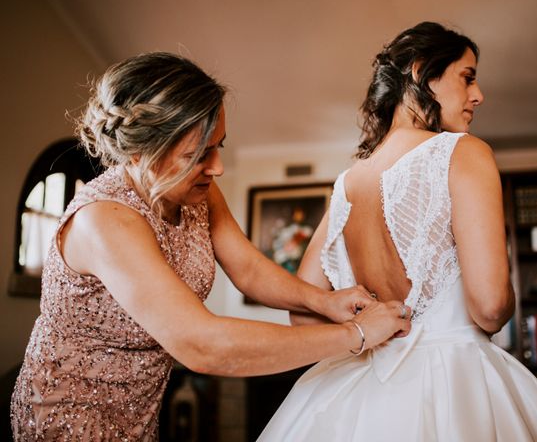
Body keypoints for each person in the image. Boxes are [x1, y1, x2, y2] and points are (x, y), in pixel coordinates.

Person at [9, 52, 412, 441]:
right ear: (139, 152)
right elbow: (203, 345)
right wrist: (355, 334)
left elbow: (249, 270)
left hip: (139, 414)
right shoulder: (105, 221)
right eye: (199, 154)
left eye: (219, 145)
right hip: (66, 418)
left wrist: (324, 302)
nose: (217, 166)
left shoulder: (195, 192)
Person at [258, 22, 537, 441]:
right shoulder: (464, 153)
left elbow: (302, 317)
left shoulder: (346, 185)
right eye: (468, 76)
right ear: (422, 70)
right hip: (453, 383)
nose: (478, 95)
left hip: (357, 395)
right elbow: (489, 305)